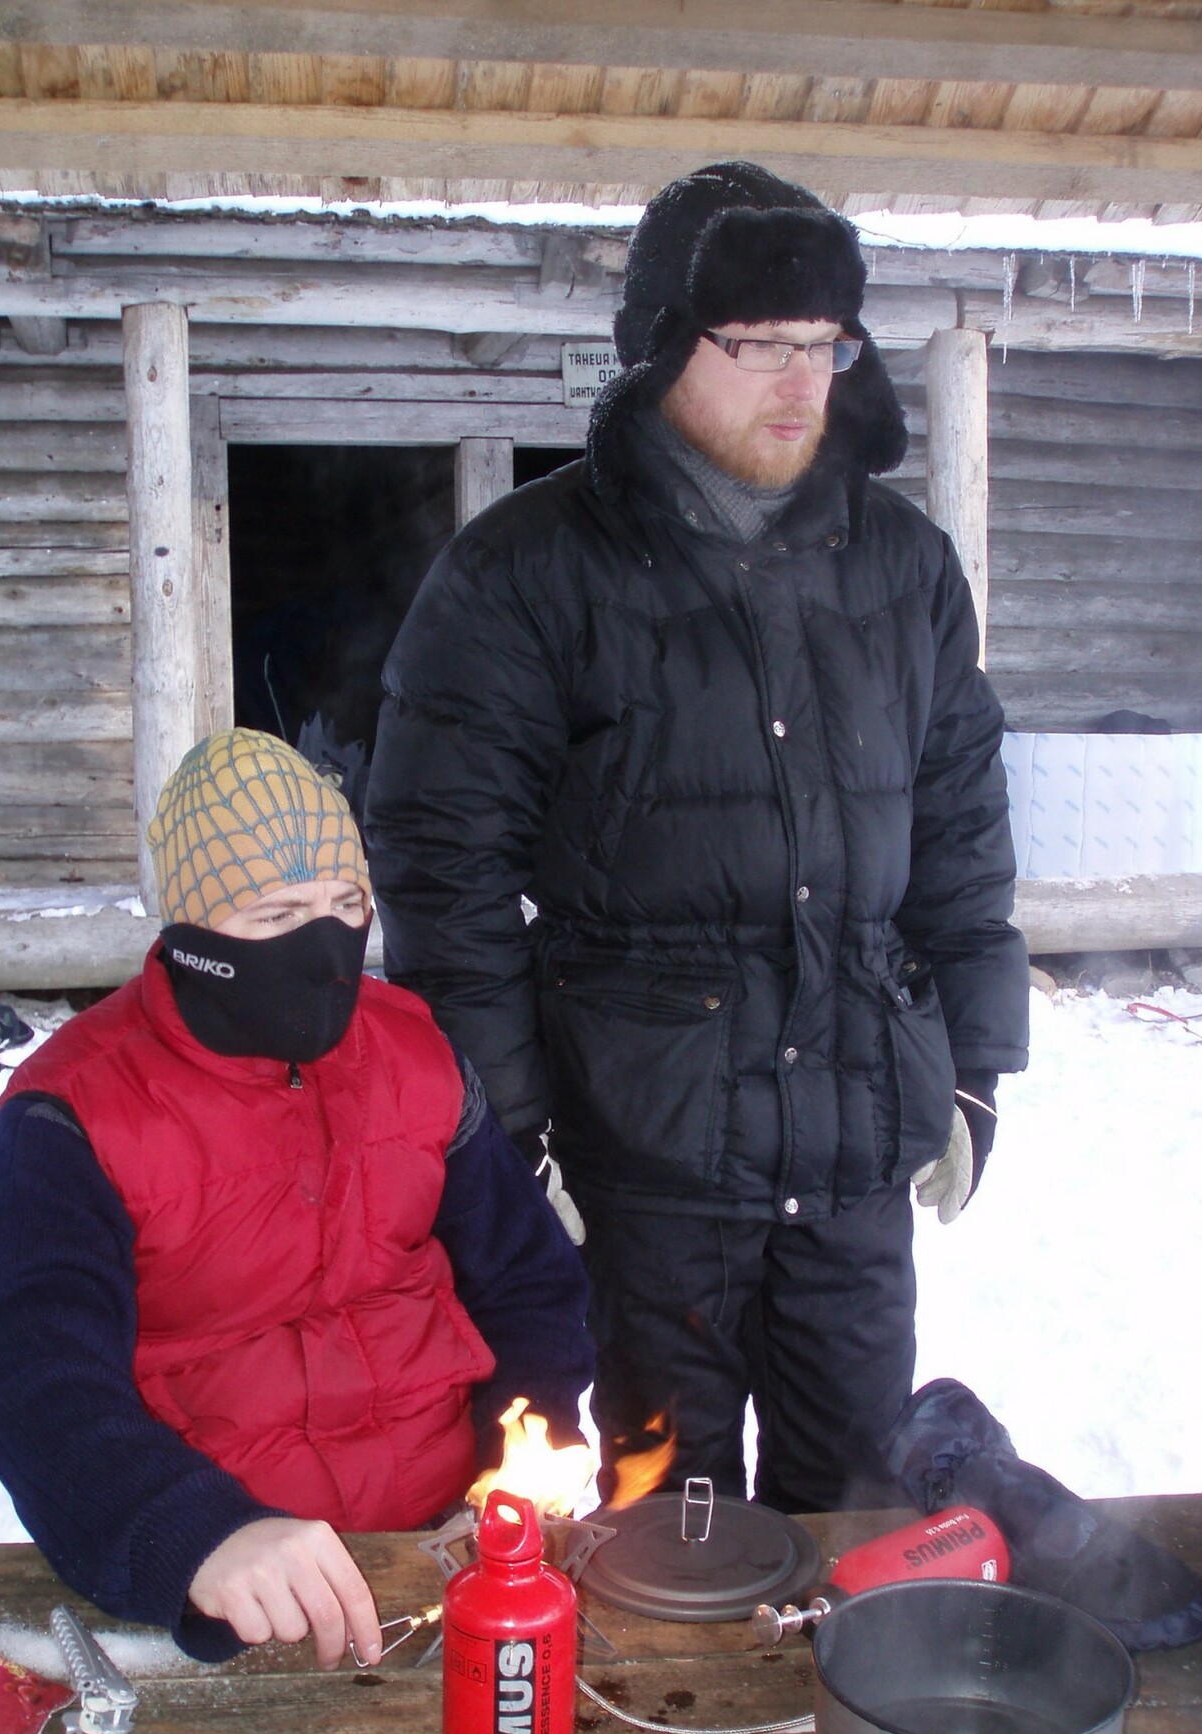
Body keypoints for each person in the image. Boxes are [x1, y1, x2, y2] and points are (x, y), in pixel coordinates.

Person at [365, 162, 1030, 1515]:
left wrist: (974, 1068)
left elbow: (961, 826)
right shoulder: (526, 573)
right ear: (664, 347)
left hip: (855, 1143)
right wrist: (507, 1126)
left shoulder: (906, 568)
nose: (801, 382)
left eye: (825, 344)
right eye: (758, 345)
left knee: (856, 1513)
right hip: (646, 1156)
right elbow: (446, 869)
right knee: (673, 1528)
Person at [0, 729, 593, 1665]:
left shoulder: (414, 1055)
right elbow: (33, 1376)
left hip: (452, 1549)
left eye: (347, 905)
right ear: (192, 934)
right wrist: (193, 1534)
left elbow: (526, 1282)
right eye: (279, 913)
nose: (325, 945)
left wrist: (525, 1453)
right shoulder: (78, 1110)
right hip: (231, 1590)